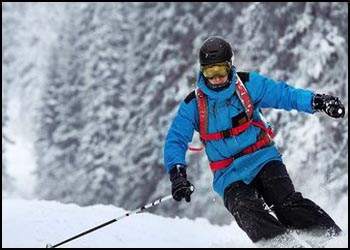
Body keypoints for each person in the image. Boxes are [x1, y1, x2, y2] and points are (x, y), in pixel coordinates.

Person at [164, 36, 344, 244]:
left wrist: (317, 101)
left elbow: (284, 95)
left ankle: (333, 241)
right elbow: (176, 139)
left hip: (262, 158)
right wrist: (177, 174)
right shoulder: (193, 104)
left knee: (286, 204)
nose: (215, 79)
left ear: (230, 66)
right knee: (246, 209)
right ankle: (281, 244)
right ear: (202, 71)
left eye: (220, 71)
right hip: (228, 173)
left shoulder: (248, 84)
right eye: (209, 72)